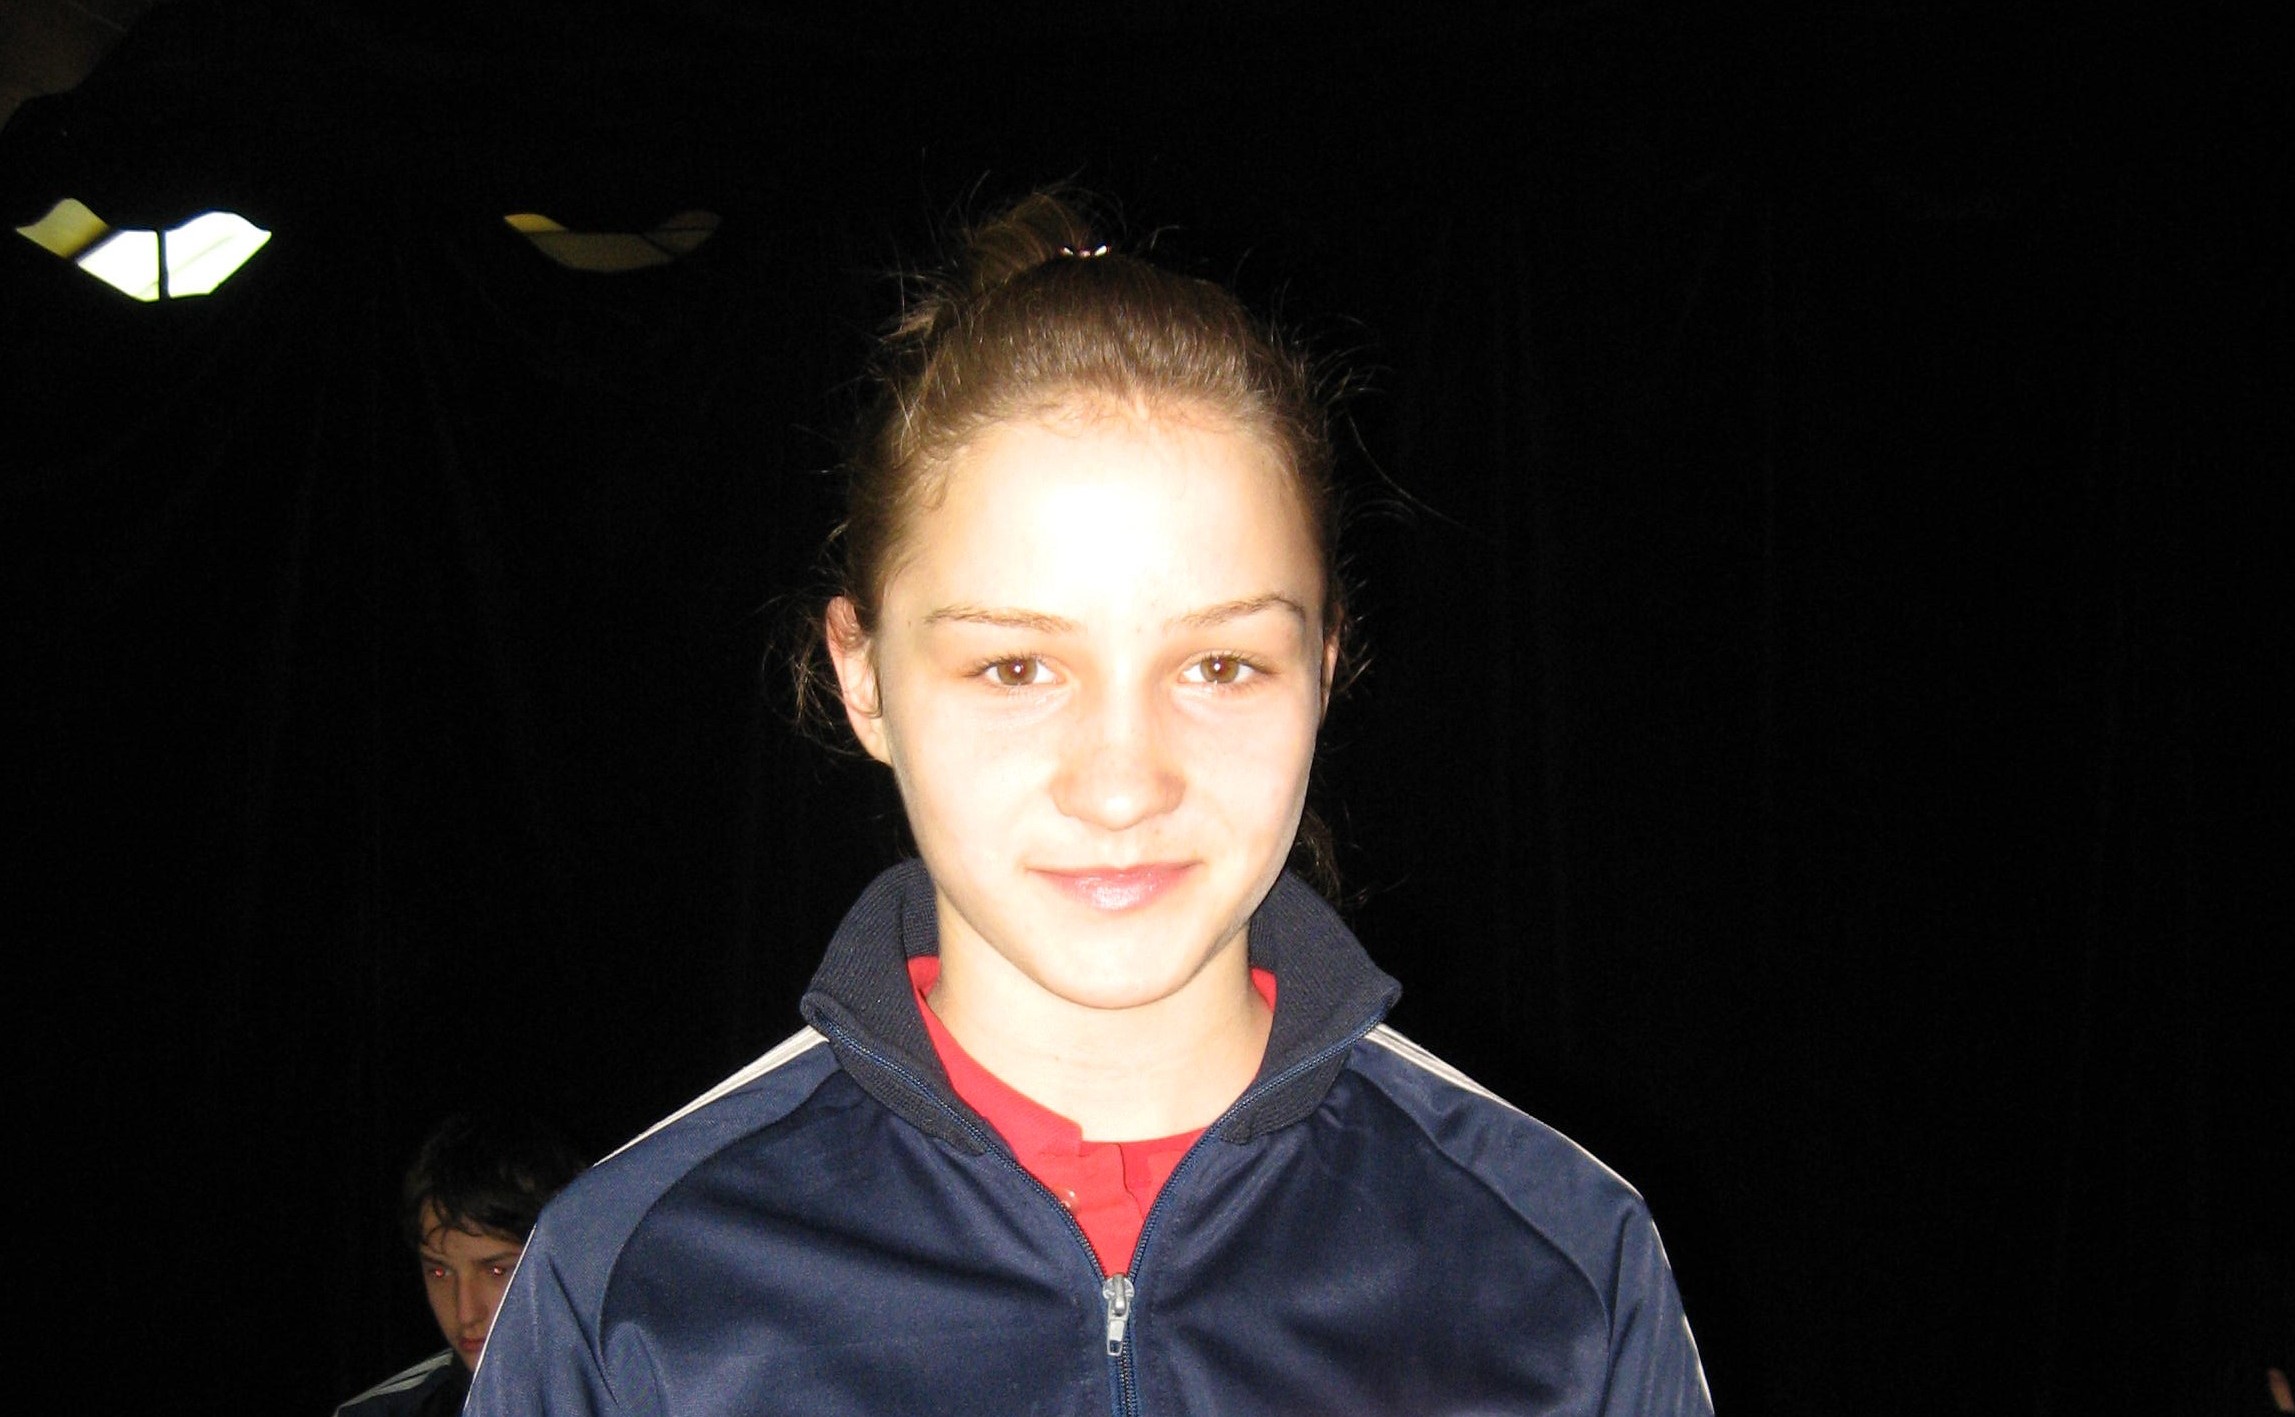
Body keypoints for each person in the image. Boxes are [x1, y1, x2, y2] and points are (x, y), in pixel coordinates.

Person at [466, 190, 1711, 1415]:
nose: (1123, 785)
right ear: (864, 678)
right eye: (1016, 668)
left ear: (1325, 668)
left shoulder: (1558, 1267)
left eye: (1220, 665)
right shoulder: (633, 1294)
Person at [334, 1112, 586, 1417]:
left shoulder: (632, 1392)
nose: (465, 1313)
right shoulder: (386, 1412)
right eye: (439, 1272)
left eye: (497, 1271)